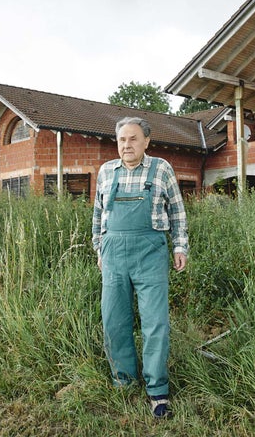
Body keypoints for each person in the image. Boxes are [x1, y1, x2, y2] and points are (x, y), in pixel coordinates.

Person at [92, 116, 188, 419]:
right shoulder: (106, 172)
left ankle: (157, 391)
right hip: (113, 254)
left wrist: (179, 245)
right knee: (114, 320)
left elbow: (178, 211)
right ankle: (124, 379)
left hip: (151, 252)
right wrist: (99, 248)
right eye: (122, 139)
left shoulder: (161, 168)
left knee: (155, 323)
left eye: (133, 139)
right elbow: (97, 214)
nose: (127, 145)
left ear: (146, 141)